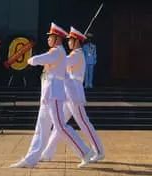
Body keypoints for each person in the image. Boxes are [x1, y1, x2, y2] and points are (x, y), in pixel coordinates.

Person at [10, 23, 95, 169]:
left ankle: (85, 152)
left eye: (51, 37)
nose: (48, 39)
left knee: (61, 126)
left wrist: (30, 59)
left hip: (54, 95)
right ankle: (31, 159)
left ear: (57, 39)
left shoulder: (57, 52)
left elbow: (40, 59)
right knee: (41, 128)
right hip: (47, 96)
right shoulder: (57, 52)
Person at [41, 26, 105, 163]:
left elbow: (63, 62)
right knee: (59, 125)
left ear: (76, 41)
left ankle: (99, 151)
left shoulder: (76, 55)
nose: (68, 42)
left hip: (74, 93)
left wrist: (55, 56)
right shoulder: (74, 54)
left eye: (71, 40)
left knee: (84, 123)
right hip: (68, 92)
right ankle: (47, 152)